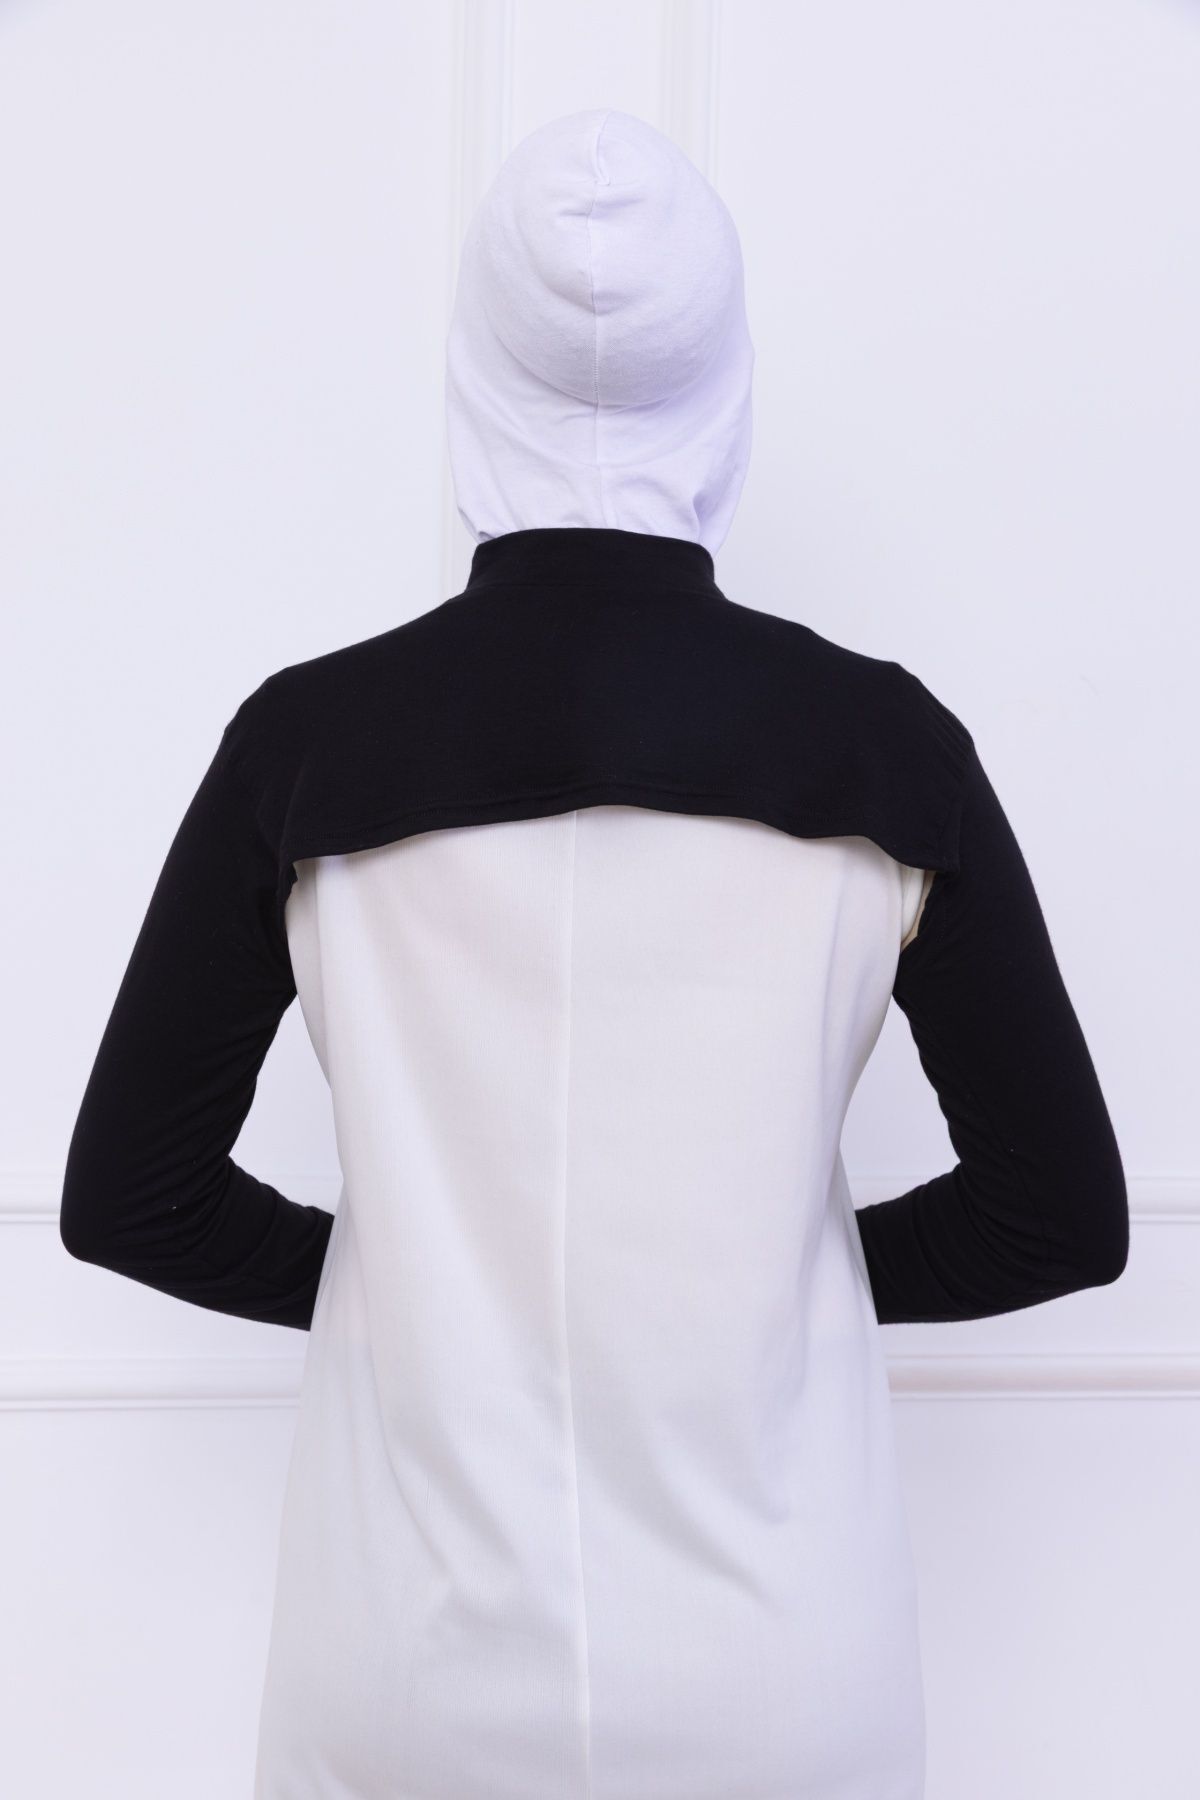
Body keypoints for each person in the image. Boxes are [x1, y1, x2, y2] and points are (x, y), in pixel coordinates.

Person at [59, 108, 1128, 1800]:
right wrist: (769, 1287)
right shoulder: (888, 747)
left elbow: (132, 1197)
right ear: (728, 386)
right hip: (786, 1682)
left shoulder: (305, 745)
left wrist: (405, 1286)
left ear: (475, 378)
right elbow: (1055, 1215)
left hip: (402, 1671)